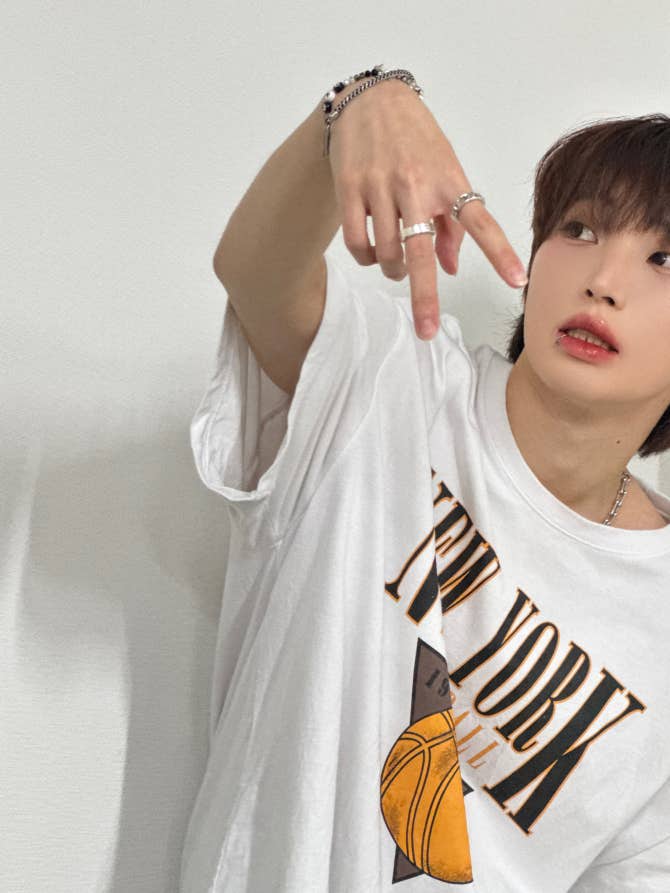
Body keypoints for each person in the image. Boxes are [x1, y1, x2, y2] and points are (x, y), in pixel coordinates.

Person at [180, 67, 670, 892]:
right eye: (581, 227)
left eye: (665, 257)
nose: (603, 279)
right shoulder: (389, 377)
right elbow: (253, 272)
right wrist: (356, 107)